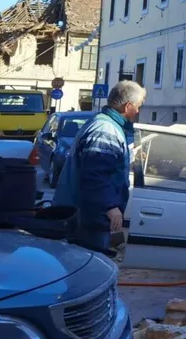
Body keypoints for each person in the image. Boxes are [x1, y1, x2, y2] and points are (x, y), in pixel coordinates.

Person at [54, 80, 144, 254]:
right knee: (86, 269)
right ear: (128, 106)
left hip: (85, 214)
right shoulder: (106, 130)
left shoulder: (104, 124)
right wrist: (110, 207)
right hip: (88, 218)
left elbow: (102, 165)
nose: (138, 111)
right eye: (138, 106)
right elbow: (95, 175)